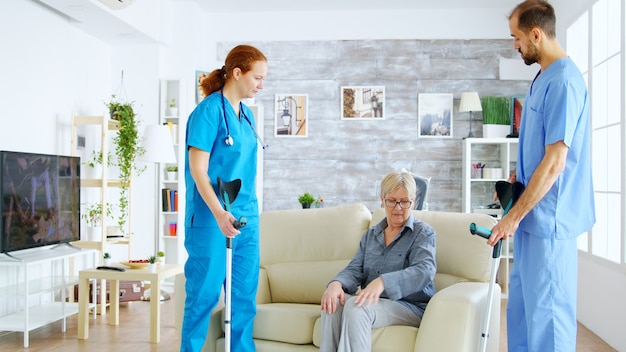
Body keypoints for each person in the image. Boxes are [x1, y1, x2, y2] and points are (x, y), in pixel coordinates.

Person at [487, 1, 595, 351]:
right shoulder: (540, 78)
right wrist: (515, 184)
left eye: (516, 38)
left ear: (536, 34)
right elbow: (538, 151)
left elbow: (555, 162)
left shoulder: (563, 81)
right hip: (529, 219)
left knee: (548, 317)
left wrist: (511, 219)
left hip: (549, 221)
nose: (514, 45)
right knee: (522, 311)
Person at [180, 44, 267, 352]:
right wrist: (219, 213)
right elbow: (198, 170)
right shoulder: (208, 112)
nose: (260, 84)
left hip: (246, 218)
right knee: (203, 297)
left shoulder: (246, 117)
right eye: (257, 77)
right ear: (237, 72)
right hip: (211, 219)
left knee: (243, 300)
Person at [320, 171, 437, 352]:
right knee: (333, 302)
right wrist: (336, 284)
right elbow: (354, 269)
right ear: (382, 199)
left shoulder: (423, 233)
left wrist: (383, 282)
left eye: (404, 201)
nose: (398, 207)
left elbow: (425, 270)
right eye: (392, 200)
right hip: (375, 303)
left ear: (413, 201)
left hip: (409, 306)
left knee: (357, 307)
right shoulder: (371, 235)